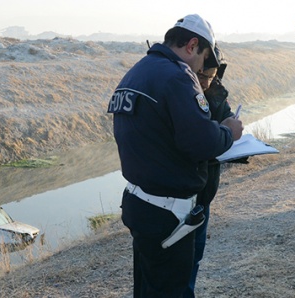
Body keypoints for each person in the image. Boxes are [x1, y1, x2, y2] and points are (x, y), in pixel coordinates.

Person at [107, 14, 244, 297]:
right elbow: (202, 142)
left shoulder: (137, 71)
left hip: (140, 202)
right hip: (168, 213)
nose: (201, 70)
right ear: (193, 45)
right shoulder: (178, 76)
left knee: (148, 288)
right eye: (204, 59)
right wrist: (228, 131)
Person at [183, 46, 234, 298]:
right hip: (179, 201)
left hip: (204, 197)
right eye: (200, 74)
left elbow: (227, 123)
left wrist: (234, 133)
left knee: (194, 259)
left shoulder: (217, 95)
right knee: (175, 267)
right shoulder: (179, 93)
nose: (204, 82)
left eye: (210, 76)